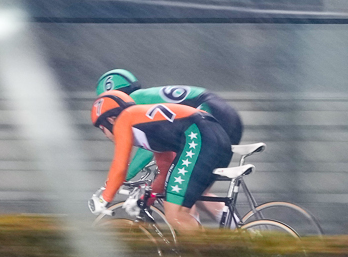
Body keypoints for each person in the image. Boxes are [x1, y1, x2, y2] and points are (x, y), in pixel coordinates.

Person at [92, 69, 244, 211]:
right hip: (221, 112)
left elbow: (147, 147)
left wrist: (122, 179)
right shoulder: (143, 98)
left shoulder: (130, 106)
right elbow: (158, 144)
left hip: (208, 115)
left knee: (185, 191)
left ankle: (201, 232)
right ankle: (233, 228)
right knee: (193, 192)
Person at [90, 89, 232, 235]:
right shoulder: (148, 127)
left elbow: (120, 166)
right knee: (177, 204)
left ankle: (206, 254)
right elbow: (164, 172)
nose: (105, 136)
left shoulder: (124, 119)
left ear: (110, 120)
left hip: (201, 136)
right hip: (215, 136)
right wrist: (146, 201)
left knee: (175, 214)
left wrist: (104, 198)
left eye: (102, 129)